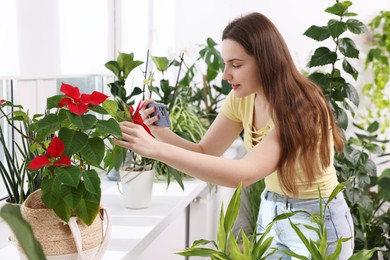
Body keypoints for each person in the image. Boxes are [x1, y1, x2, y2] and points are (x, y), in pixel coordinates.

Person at [113, 12, 354, 259]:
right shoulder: (243, 99)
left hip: (316, 218)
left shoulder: (303, 106)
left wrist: (155, 149)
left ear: (266, 61)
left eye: (236, 65)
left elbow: (244, 175)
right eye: (226, 63)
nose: (225, 74)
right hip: (272, 212)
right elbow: (205, 152)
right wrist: (161, 133)